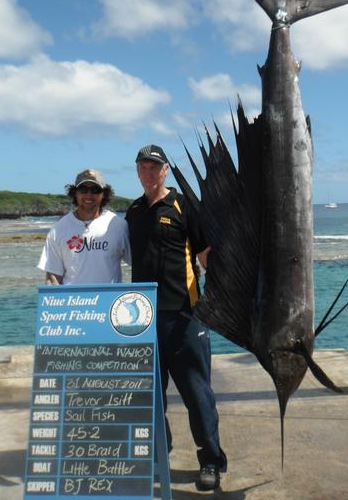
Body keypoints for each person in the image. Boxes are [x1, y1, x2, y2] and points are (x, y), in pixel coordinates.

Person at [125, 144, 227, 491]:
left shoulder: (184, 204)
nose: (149, 173)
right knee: (150, 395)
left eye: (155, 167)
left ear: (165, 170)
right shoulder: (134, 211)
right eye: (143, 167)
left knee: (197, 394)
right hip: (142, 319)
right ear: (137, 172)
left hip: (184, 315)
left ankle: (211, 460)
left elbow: (206, 255)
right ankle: (159, 455)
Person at [38, 169, 130, 284]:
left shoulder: (119, 225)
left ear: (103, 194)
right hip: (73, 300)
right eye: (83, 189)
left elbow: (138, 264)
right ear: (75, 193)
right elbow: (52, 277)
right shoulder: (58, 229)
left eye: (95, 190)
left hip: (110, 301)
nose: (89, 194)